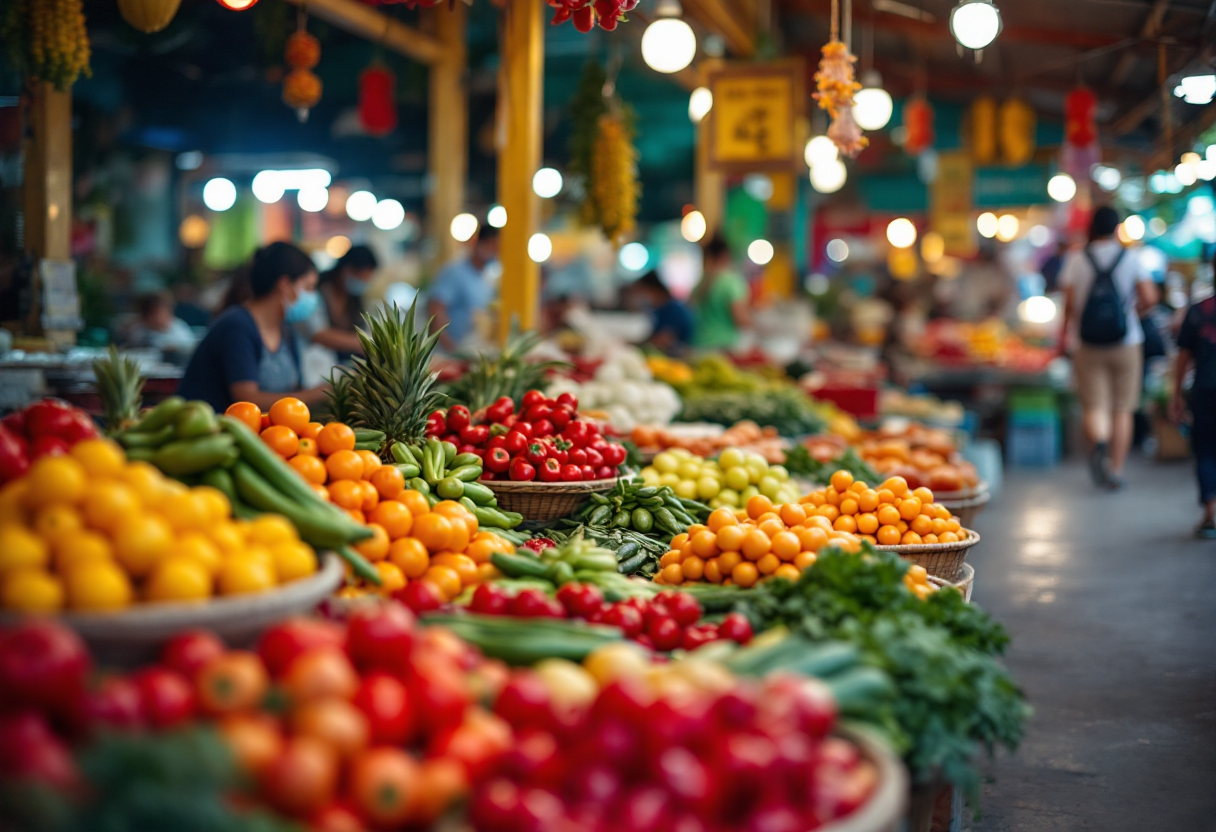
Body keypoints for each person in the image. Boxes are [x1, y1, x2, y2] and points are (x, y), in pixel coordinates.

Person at [1059, 207, 1158, 490]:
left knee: (1094, 405)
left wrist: (1066, 335)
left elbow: (1068, 305)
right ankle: (1116, 468)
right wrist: (1131, 311)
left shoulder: (1076, 259)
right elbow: (1150, 298)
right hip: (1126, 341)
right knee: (1123, 407)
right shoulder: (1131, 257)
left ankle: (1099, 442)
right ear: (1117, 228)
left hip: (1086, 342)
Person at [179, 242, 327, 412]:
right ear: (285, 285)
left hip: (273, 435)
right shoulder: (237, 326)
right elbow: (247, 399)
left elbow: (294, 390)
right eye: (308, 287)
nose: (313, 297)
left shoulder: (286, 331)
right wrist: (317, 394)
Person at [1170, 265, 1216, 538]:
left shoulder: (1199, 310)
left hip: (1205, 390)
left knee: (1207, 451)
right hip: (1204, 391)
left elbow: (1183, 356)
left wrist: (1176, 392)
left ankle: (1211, 512)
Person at [300, 245, 378, 360]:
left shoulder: (354, 299)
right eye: (360, 277)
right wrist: (360, 342)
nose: (362, 282)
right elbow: (318, 333)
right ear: (346, 269)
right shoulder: (317, 290)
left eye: (366, 279)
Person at [428, 226, 499, 352]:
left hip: (470, 351)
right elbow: (436, 310)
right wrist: (451, 349)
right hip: (447, 356)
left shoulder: (486, 279)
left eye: (496, 248)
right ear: (476, 243)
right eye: (490, 245)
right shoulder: (455, 272)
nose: (493, 251)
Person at [691, 235, 750, 351]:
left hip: (698, 343)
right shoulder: (731, 283)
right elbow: (740, 318)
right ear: (725, 255)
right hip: (722, 347)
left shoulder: (701, 281)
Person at [123, 291, 197, 363]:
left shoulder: (178, 327)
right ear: (145, 316)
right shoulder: (138, 331)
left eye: (164, 312)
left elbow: (188, 347)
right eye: (155, 313)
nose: (160, 317)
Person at [633, 271, 693, 354]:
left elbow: (663, 340)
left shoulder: (674, 310)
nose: (642, 297)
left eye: (643, 292)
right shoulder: (659, 309)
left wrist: (638, 345)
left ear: (653, 290)